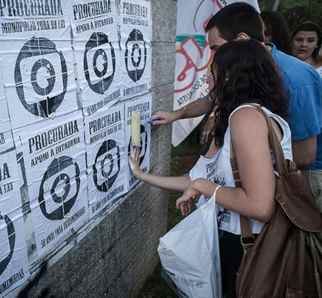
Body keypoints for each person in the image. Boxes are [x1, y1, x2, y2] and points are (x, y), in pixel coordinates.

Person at [131, 39, 291, 298]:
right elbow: (195, 179)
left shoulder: (246, 118)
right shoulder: (246, 116)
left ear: (232, 76)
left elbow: (260, 206)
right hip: (243, 242)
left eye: (212, 71)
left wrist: (204, 187)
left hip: (247, 246)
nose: (206, 79)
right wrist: (141, 174)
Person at [153, 3, 322, 170]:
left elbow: (304, 155)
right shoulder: (242, 68)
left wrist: (244, 166)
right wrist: (175, 115)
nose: (214, 57)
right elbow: (213, 98)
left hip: (298, 179)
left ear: (242, 39)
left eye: (217, 48)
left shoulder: (297, 79)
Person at [291, 21, 322, 211]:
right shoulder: (283, 67)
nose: (304, 45)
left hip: (315, 158)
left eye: (310, 40)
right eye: (299, 39)